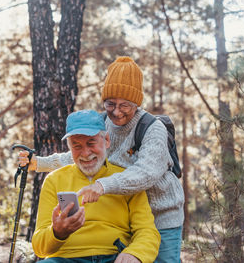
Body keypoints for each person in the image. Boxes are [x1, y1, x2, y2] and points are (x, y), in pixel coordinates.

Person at [20, 57, 185, 263]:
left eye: (125, 105)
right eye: (110, 104)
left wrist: (102, 185)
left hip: (160, 211)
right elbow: (81, 153)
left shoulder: (152, 128)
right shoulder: (103, 124)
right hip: (121, 205)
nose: (116, 112)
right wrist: (40, 163)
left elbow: (146, 173)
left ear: (137, 102)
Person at [32, 109, 160, 262]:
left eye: (91, 143)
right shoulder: (54, 180)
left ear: (106, 140)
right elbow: (39, 247)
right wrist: (57, 232)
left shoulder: (125, 179)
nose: (85, 153)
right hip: (65, 258)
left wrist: (135, 253)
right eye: (76, 146)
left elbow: (147, 231)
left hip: (114, 257)